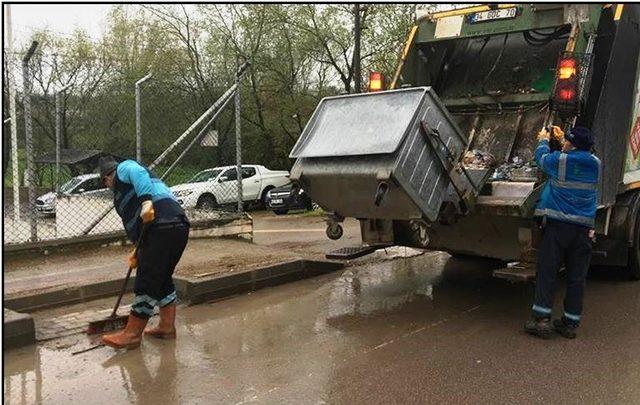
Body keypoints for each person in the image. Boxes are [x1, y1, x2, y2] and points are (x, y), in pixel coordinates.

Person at [99, 156, 190, 349]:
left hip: (161, 224)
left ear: (108, 176)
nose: (107, 186)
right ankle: (166, 327)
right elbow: (139, 224)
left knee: (147, 280)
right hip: (177, 225)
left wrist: (147, 202)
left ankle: (132, 334)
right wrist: (138, 251)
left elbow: (138, 172)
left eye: (105, 182)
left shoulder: (124, 169)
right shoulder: (125, 194)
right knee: (162, 278)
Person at [525, 126, 600, 339]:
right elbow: (580, 156)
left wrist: (543, 140)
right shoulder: (595, 163)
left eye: (567, 140)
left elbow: (542, 158)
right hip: (584, 231)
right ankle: (570, 324)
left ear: (573, 144)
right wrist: (562, 138)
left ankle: (541, 320)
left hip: (559, 227)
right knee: (577, 278)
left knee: (548, 272)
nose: (564, 142)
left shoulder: (561, 161)